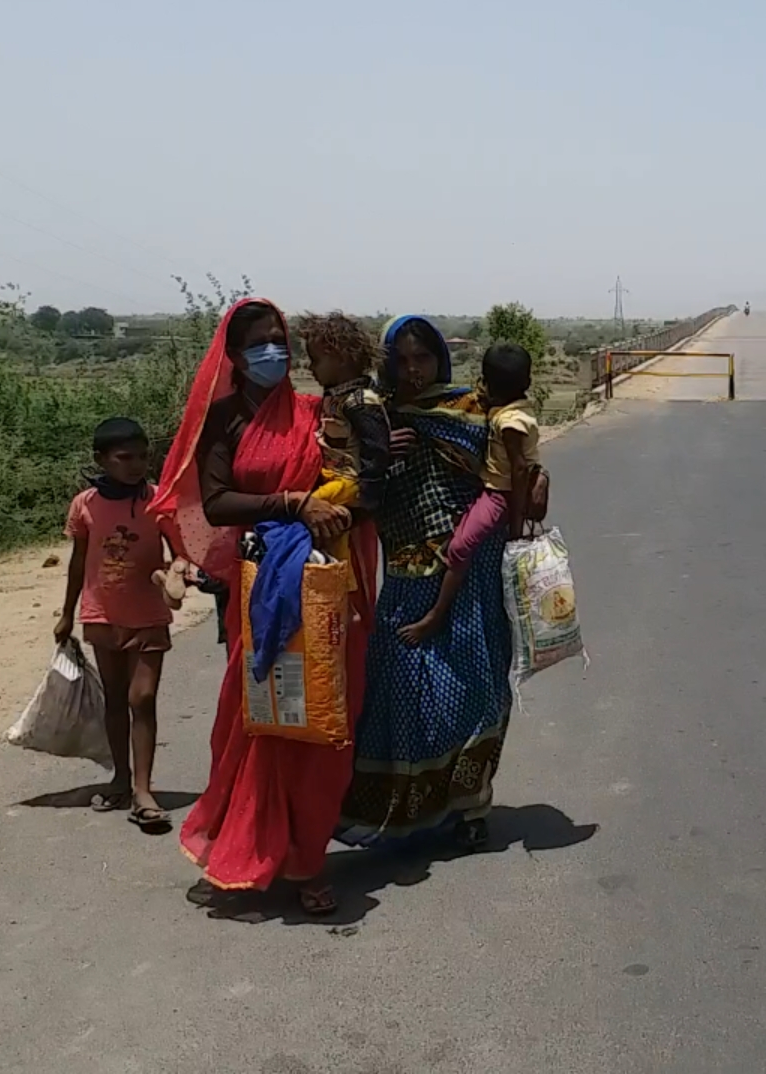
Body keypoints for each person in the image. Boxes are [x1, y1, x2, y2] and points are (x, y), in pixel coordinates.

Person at [154, 298, 380, 916]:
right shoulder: (222, 420)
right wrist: (293, 506)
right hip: (260, 589)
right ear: (232, 355)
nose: (273, 352)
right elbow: (219, 502)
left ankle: (308, 861)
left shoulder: (316, 413)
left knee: (325, 722)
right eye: (258, 343)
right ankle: (245, 843)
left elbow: (361, 475)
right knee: (263, 714)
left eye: (279, 340)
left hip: (328, 583)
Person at [335, 315, 515, 852]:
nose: (414, 370)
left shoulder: (473, 410)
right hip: (409, 568)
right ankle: (400, 804)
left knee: (476, 684)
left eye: (423, 358)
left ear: (440, 359)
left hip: (473, 566)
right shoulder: (375, 416)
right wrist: (382, 455)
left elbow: (512, 469)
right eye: (403, 359)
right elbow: (356, 491)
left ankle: (471, 805)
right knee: (403, 686)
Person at [53, 416, 186, 831]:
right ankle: (121, 778)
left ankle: (144, 792)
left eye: (143, 456)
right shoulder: (85, 505)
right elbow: (79, 562)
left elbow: (181, 552)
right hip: (102, 614)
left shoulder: (160, 500)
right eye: (124, 457)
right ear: (101, 459)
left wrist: (177, 574)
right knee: (115, 699)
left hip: (147, 616)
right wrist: (67, 613)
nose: (136, 465)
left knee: (141, 698)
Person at [396, 341, 540, 645]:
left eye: (423, 355)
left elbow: (520, 469)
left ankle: (435, 615)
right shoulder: (518, 409)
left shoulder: (507, 421)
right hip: (495, 495)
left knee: (459, 548)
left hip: (498, 496)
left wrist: (514, 529)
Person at [299, 311, 393, 569]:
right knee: (333, 532)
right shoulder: (337, 397)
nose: (309, 367)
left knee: (305, 511)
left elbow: (377, 450)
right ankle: (339, 576)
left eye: (315, 360)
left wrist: (369, 494)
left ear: (340, 359)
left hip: (348, 481)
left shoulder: (360, 401)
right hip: (335, 477)